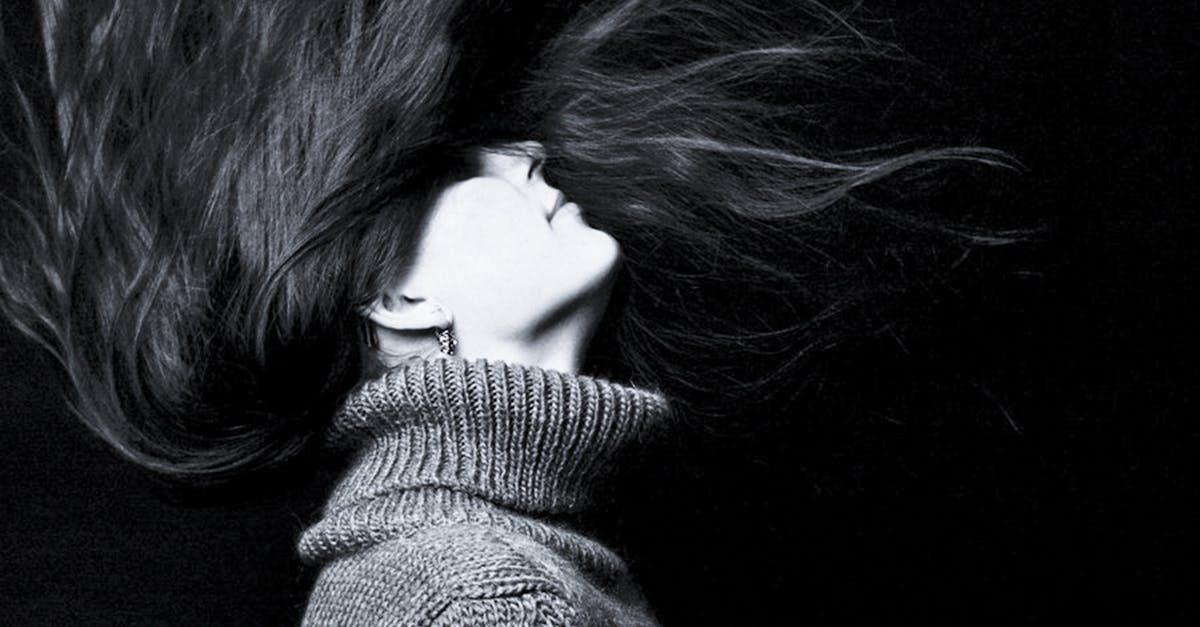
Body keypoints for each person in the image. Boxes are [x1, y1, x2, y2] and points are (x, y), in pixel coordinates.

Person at [0, 0, 1015, 624]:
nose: (526, 154)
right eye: (449, 163)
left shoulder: (425, 567)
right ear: (401, 295)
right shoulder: (490, 592)